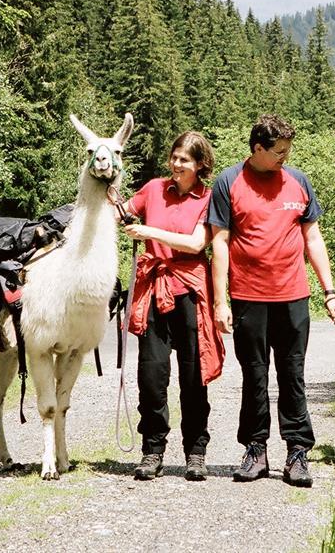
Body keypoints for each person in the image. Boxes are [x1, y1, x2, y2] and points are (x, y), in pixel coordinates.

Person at [208, 114, 335, 488]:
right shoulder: (229, 182)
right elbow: (219, 243)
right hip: (248, 297)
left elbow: (313, 239)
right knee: (254, 375)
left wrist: (330, 292)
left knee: (292, 374)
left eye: (287, 150)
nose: (285, 157)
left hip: (293, 296)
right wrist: (220, 302)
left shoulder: (298, 181)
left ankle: (297, 452)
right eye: (279, 151)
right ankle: (255, 450)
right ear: (258, 149)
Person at [122, 131, 225, 481]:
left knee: (193, 376)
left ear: (200, 164)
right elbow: (121, 212)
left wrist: (148, 232)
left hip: (190, 290)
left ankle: (195, 451)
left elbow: (196, 244)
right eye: (174, 157)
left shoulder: (209, 198)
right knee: (151, 375)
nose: (177, 164)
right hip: (154, 289)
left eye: (185, 159)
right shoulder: (153, 189)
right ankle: (152, 450)